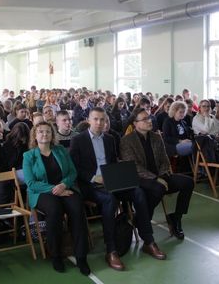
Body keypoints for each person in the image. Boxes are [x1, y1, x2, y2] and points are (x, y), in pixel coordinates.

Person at [70, 107, 166, 271]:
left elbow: (113, 162)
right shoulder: (78, 140)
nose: (99, 123)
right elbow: (74, 167)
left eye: (103, 119)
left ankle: (148, 241)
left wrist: (120, 174)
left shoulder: (109, 139)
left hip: (112, 181)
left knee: (139, 192)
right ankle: (111, 250)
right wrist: (94, 177)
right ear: (89, 120)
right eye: (96, 119)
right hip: (92, 185)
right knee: (110, 200)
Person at [22, 122, 90, 275]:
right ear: (35, 135)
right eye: (41, 132)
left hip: (64, 188)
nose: (44, 134)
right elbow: (31, 183)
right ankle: (56, 255)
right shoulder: (28, 156)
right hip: (41, 193)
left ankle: (81, 256)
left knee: (77, 207)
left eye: (48, 131)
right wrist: (56, 190)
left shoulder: (60, 150)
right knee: (54, 209)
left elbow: (72, 172)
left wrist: (64, 185)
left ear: (52, 135)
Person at [120, 108, 194, 239]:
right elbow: (133, 166)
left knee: (188, 182)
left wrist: (162, 175)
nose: (150, 121)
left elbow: (165, 160)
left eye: (149, 118)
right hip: (140, 179)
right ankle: (143, 219)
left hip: (160, 176)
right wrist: (155, 178)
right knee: (158, 188)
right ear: (135, 123)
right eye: (145, 119)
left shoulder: (156, 137)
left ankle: (176, 217)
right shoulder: (127, 141)